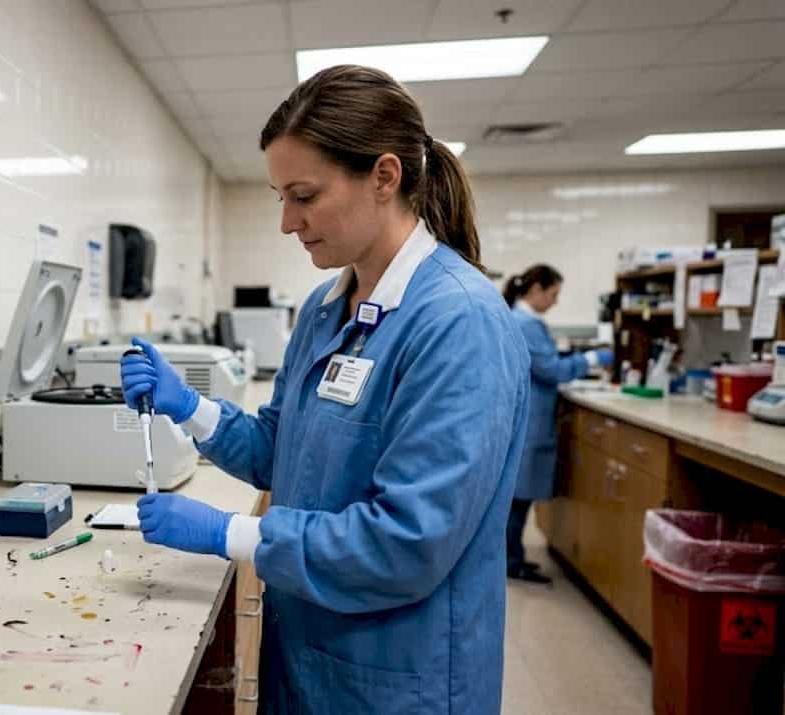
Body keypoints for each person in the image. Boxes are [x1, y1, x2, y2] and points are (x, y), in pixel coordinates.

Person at [120, 65, 530, 714]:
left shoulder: (459, 322)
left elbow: (407, 542)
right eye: (279, 196)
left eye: (304, 195)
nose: (288, 221)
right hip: (305, 655)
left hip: (398, 677)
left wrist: (231, 533)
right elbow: (282, 450)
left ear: (384, 177)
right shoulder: (324, 307)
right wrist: (189, 405)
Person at [502, 265, 614, 584]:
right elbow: (550, 370)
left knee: (518, 497)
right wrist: (593, 360)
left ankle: (512, 557)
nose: (555, 302)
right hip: (529, 421)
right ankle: (511, 560)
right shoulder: (525, 323)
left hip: (526, 417)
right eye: (553, 295)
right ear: (535, 289)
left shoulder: (522, 319)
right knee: (518, 498)